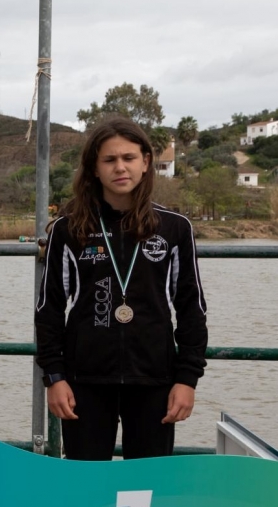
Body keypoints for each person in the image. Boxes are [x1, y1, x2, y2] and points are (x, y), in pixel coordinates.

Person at [34, 117, 207, 460]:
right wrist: (54, 377)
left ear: (146, 162)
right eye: (109, 160)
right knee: (87, 486)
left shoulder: (174, 228)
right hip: (83, 380)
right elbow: (49, 309)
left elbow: (191, 309)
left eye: (129, 158)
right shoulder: (69, 230)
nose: (120, 168)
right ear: (94, 169)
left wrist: (187, 379)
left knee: (145, 486)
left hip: (155, 379)